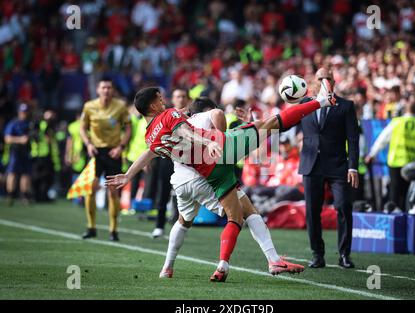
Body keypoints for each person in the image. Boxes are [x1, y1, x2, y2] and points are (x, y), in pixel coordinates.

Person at [106, 79, 336, 281]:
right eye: (160, 98)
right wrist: (208, 142)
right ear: (154, 105)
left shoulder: (150, 136)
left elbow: (149, 153)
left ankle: (262, 260)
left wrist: (128, 175)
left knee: (238, 213)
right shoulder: (168, 115)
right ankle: (322, 102)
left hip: (208, 172)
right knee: (270, 124)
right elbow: (185, 132)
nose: (164, 101)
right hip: (220, 149)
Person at [159, 97, 304, 279]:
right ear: (206, 110)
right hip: (206, 178)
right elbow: (221, 127)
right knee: (241, 214)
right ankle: (238, 263)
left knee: (183, 221)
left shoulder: (178, 125)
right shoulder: (207, 116)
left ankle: (167, 267)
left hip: (181, 181)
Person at [298, 68, 359, 269]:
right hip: (311, 165)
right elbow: (285, 124)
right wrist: (256, 122)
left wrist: (353, 168)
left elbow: (353, 138)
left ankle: (344, 255)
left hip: (338, 166)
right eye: (320, 78)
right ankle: (318, 254)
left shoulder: (346, 106)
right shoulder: (304, 104)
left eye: (328, 78)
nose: (324, 81)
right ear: (314, 82)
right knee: (312, 211)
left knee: (343, 207)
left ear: (334, 81)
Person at [79, 77, 131, 241]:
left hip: (113, 153)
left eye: (109, 87)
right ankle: (91, 227)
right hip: (95, 152)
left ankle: (113, 230)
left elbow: (129, 128)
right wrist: (88, 143)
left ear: (113, 90)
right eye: (103, 87)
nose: (106, 90)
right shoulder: (89, 106)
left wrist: (120, 147)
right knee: (90, 189)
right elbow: (82, 127)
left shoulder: (120, 106)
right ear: (98, 90)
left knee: (113, 192)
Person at [365, 101, 415, 211]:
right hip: (412, 165)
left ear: (406, 111)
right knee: (409, 194)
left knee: (395, 193)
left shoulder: (397, 122)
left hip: (396, 162)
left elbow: (382, 139)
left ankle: (394, 222)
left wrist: (372, 154)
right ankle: (409, 220)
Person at [151, 88, 190, 238]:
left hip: (187, 160)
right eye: (178, 96)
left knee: (185, 192)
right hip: (167, 159)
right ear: (172, 99)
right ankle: (159, 225)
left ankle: (181, 224)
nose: (180, 99)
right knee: (163, 192)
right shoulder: (165, 115)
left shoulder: (192, 116)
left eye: (183, 96)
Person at [4, 103, 33, 205]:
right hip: (15, 151)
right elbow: (7, 138)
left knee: (25, 174)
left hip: (26, 151)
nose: (23, 114)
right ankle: (10, 195)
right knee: (12, 173)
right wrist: (20, 140)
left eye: (25, 112)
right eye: (22, 112)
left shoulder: (30, 123)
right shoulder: (13, 123)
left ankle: (24, 195)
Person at [30, 110, 61, 202]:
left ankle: (42, 196)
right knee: (39, 177)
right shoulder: (42, 124)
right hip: (40, 155)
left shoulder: (50, 127)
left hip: (46, 155)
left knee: (46, 178)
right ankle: (38, 196)